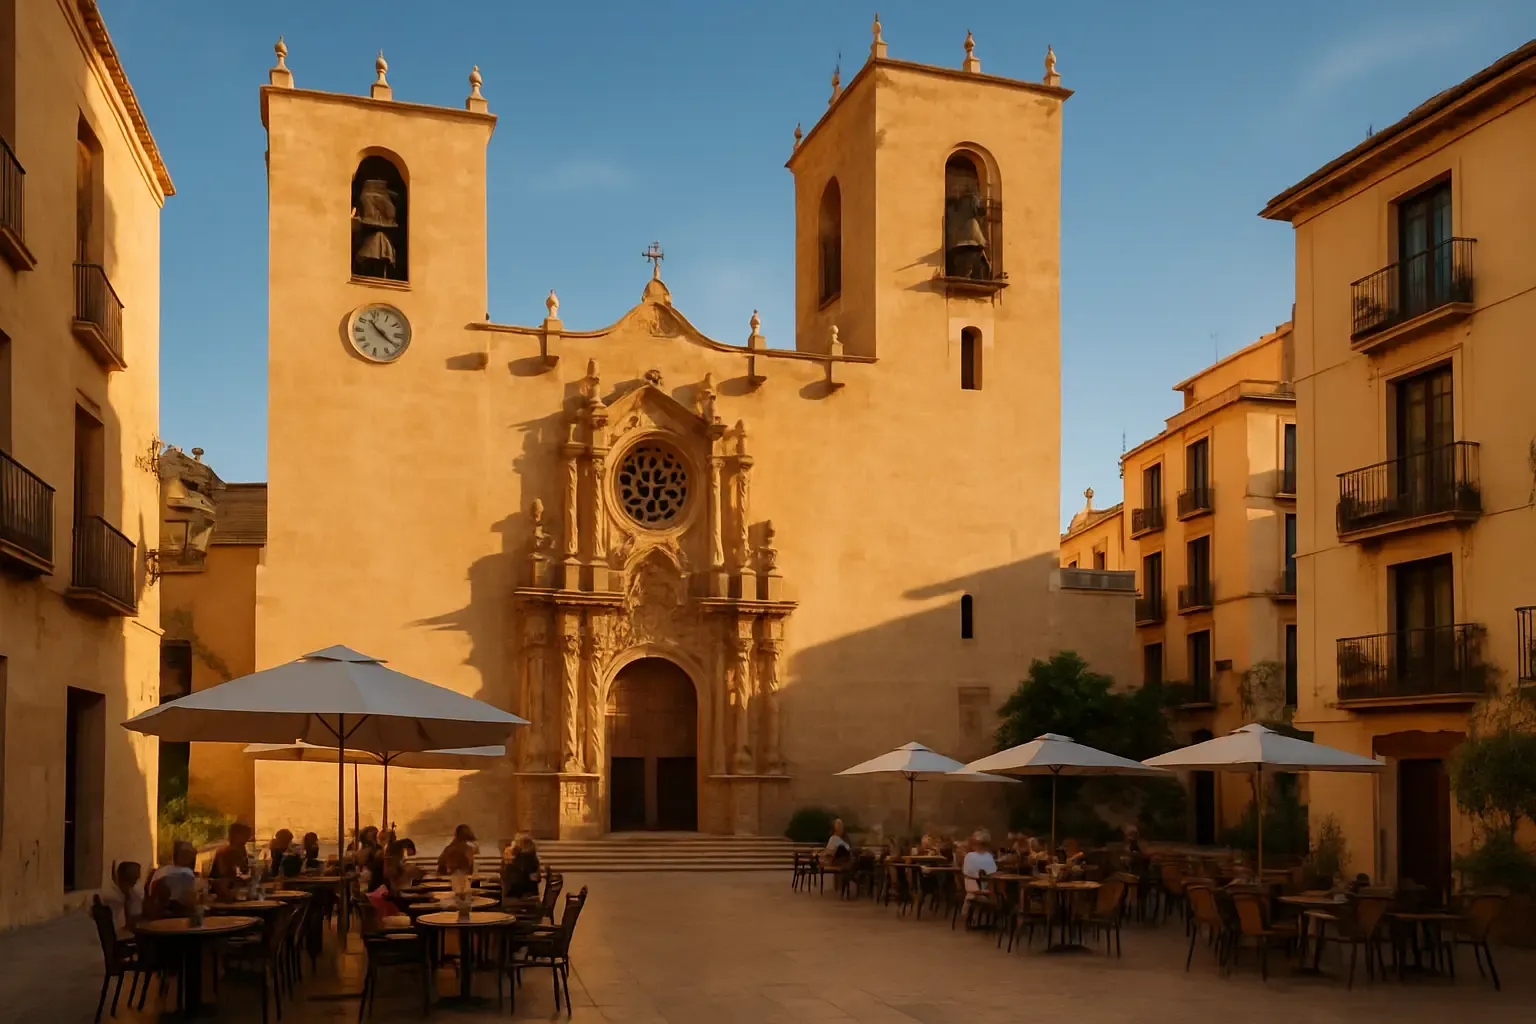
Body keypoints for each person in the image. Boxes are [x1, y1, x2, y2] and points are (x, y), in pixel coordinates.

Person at [145, 842, 201, 919]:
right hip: (172, 916)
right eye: (191, 854)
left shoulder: (161, 870)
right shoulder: (186, 873)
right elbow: (190, 900)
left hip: (158, 914)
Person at [209, 822, 253, 900]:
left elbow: (245, 872)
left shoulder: (242, 850)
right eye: (245, 835)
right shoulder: (224, 852)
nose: (248, 838)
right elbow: (223, 875)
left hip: (239, 891)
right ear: (236, 835)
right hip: (224, 893)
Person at [101, 861, 144, 938]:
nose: (135, 882)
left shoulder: (133, 894)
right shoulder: (111, 897)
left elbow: (135, 920)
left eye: (136, 879)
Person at [501, 835, 541, 899]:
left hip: (520, 896)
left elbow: (510, 879)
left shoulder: (523, 858)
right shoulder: (532, 858)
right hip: (530, 894)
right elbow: (537, 878)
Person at [961, 830, 997, 898]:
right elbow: (992, 873)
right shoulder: (989, 856)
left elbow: (966, 873)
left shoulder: (969, 856)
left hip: (972, 887)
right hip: (984, 888)